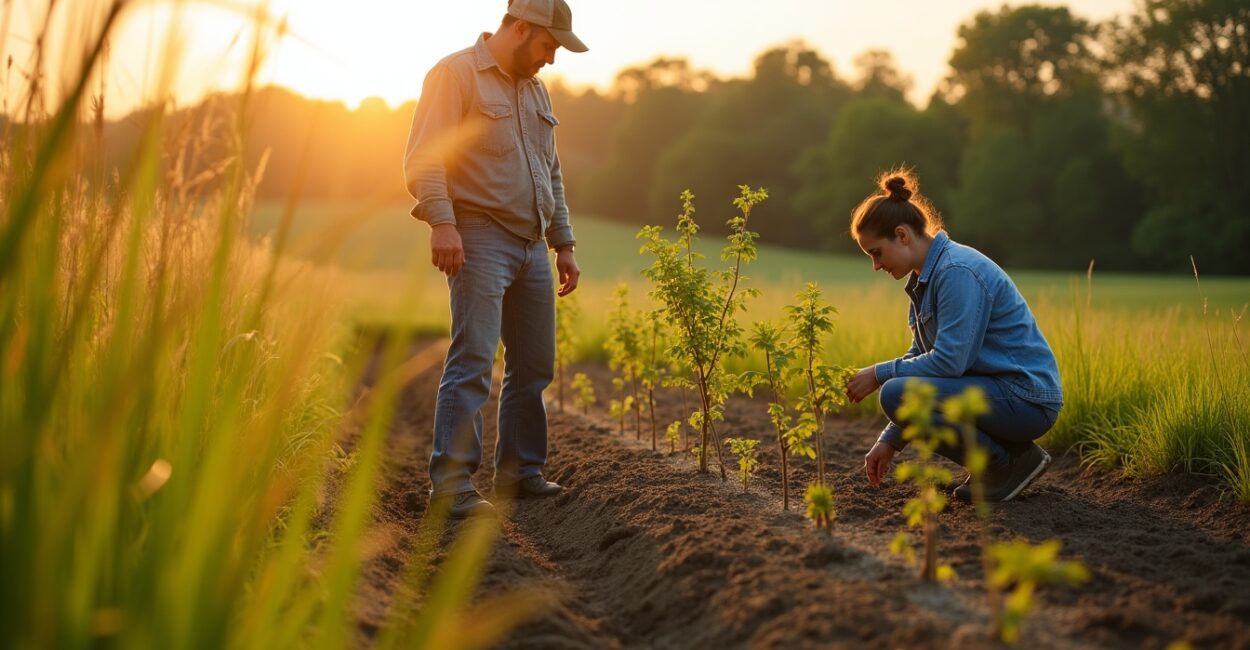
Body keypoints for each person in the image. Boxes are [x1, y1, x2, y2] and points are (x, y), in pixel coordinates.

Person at [403, 0, 588, 518]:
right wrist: (442, 221)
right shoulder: (454, 75)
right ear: (521, 28)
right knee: (474, 360)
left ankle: (521, 473)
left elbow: (550, 171)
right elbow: (425, 156)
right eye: (548, 46)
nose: (551, 59)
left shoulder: (535, 89)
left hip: (533, 246)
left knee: (533, 366)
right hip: (478, 236)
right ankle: (453, 486)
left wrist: (563, 243)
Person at [844, 170, 1063, 503]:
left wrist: (877, 373)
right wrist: (889, 440)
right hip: (997, 392)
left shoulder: (956, 271)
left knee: (894, 392)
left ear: (902, 235)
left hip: (1025, 397)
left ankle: (1004, 464)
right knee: (900, 392)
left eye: (876, 253)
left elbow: (948, 362)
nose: (876, 266)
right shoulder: (925, 281)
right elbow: (922, 360)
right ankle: (1007, 456)